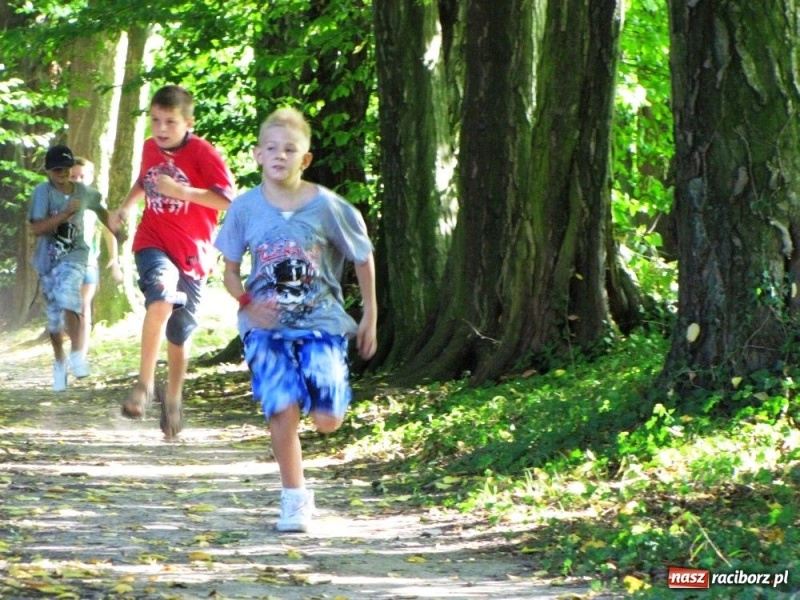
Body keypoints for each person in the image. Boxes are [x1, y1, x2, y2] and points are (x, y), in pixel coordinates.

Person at [214, 106, 378, 532]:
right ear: (256, 155)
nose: (279, 155)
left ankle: (314, 386)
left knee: (328, 420)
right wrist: (248, 302)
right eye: (271, 148)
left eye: (290, 149)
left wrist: (370, 317)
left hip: (322, 323)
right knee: (281, 407)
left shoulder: (328, 207)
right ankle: (294, 499)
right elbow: (229, 270)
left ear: (304, 159)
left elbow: (363, 256)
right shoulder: (245, 208)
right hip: (264, 330)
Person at [109, 84, 235, 440]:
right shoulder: (150, 148)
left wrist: (181, 192)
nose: (161, 129)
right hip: (153, 241)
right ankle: (144, 385)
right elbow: (145, 180)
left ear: (188, 122)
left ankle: (174, 398)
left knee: (180, 334)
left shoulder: (203, 154)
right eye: (155, 120)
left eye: (170, 122)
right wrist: (125, 206)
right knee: (161, 296)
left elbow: (227, 201)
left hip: (194, 254)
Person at [28, 145, 120, 391]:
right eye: (57, 169)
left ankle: (78, 354)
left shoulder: (85, 193)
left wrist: (118, 232)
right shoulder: (42, 193)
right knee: (55, 321)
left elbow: (102, 213)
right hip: (48, 260)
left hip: (77, 256)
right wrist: (66, 213)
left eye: (66, 168)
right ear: (48, 171)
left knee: (69, 295)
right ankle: (60, 363)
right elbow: (37, 228)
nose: (63, 173)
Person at [70, 157, 123, 361]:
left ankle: (79, 356)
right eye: (73, 176)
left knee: (84, 307)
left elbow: (109, 230)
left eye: (82, 176)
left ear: (90, 177)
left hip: (88, 261)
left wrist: (114, 258)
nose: (78, 180)